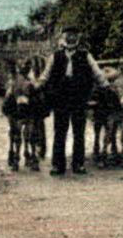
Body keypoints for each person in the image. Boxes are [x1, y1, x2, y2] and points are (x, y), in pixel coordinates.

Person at [36, 28, 111, 175]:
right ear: (64, 37)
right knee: (60, 132)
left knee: (79, 133)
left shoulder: (85, 55)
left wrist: (106, 86)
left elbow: (97, 73)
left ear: (78, 38)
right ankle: (57, 165)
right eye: (68, 35)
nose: (71, 38)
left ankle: (78, 164)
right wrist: (37, 85)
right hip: (61, 99)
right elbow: (46, 75)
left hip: (78, 99)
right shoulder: (55, 56)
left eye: (74, 35)